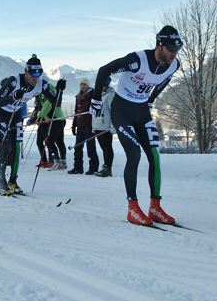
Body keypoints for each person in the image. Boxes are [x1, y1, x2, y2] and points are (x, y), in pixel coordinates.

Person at [90, 25, 182, 226]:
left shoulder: (174, 65)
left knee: (155, 156)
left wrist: (152, 98)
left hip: (141, 112)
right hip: (121, 111)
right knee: (134, 154)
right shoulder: (137, 60)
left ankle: (155, 207)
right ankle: (133, 208)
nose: (174, 54)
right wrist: (96, 100)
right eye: (170, 49)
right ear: (159, 45)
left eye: (177, 50)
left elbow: (164, 81)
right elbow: (104, 70)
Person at [0, 55, 66, 196]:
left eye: (39, 73)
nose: (35, 77)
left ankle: (13, 181)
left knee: (17, 147)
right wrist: (13, 97)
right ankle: (1, 181)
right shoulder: (14, 81)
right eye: (32, 73)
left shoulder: (41, 84)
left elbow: (56, 103)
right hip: (0, 114)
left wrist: (59, 91)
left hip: (15, 114)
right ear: (26, 71)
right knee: (6, 145)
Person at [68, 79, 99, 175]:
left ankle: (93, 168)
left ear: (88, 85)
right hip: (80, 126)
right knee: (78, 148)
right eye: (81, 84)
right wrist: (74, 126)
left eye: (84, 84)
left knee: (91, 148)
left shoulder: (92, 95)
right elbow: (77, 112)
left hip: (89, 126)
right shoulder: (78, 96)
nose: (82, 86)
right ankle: (77, 168)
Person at [35, 83, 67, 170]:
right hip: (60, 120)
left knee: (50, 141)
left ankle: (56, 161)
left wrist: (40, 114)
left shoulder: (49, 94)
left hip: (56, 120)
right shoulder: (52, 92)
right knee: (59, 141)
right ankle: (63, 162)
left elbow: (47, 106)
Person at [93, 77, 115, 177]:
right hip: (98, 126)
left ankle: (108, 168)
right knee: (103, 149)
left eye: (102, 85)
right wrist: (93, 126)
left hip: (106, 127)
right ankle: (105, 167)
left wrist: (112, 126)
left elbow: (114, 111)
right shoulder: (97, 95)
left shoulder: (110, 95)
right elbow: (94, 112)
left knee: (107, 148)